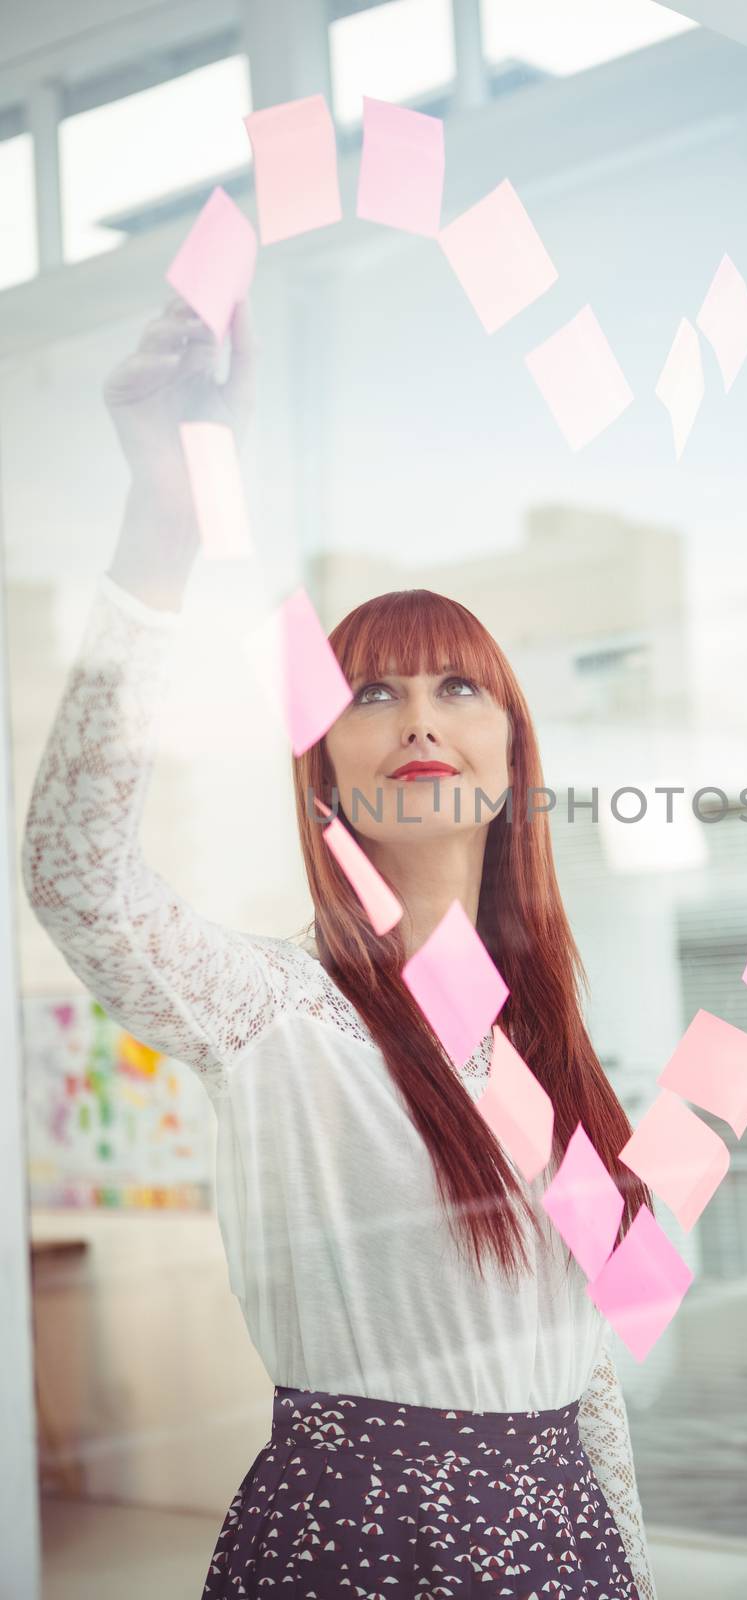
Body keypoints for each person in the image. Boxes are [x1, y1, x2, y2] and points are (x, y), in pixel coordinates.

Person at [21, 296, 660, 1599]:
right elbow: (74, 874)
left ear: (510, 757)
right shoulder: (268, 1011)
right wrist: (164, 525)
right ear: (327, 770)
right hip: (353, 1551)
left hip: (566, 1558)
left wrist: (632, 1572)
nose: (418, 715)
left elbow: (584, 1362)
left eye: (456, 686)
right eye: (374, 691)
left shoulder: (540, 1047)